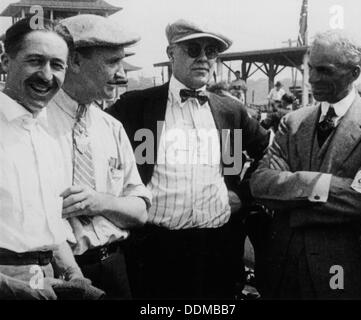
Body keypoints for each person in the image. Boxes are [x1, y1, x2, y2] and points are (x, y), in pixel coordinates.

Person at [108, 18, 269, 299]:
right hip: (156, 248)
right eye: (194, 49)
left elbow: (270, 151)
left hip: (218, 247)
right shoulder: (136, 106)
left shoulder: (231, 110)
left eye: (212, 52)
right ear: (171, 54)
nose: (204, 59)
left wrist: (243, 193)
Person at [249, 30, 361, 299]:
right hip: (281, 266)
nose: (312, 79)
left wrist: (291, 190)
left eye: (324, 70)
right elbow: (260, 183)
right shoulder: (293, 122)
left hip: (340, 270)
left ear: (354, 73)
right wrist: (320, 189)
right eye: (310, 68)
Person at [46, 14, 152, 299]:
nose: (123, 74)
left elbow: (141, 211)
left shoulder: (112, 128)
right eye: (112, 62)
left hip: (114, 267)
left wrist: (99, 201)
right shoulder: (35, 123)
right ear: (75, 61)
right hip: (57, 273)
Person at [0, 17, 95, 300]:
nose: (46, 75)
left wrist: (74, 273)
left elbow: (48, 226)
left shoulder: (49, 134)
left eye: (57, 65)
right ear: (5, 62)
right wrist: (14, 288)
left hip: (47, 279)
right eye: (34, 61)